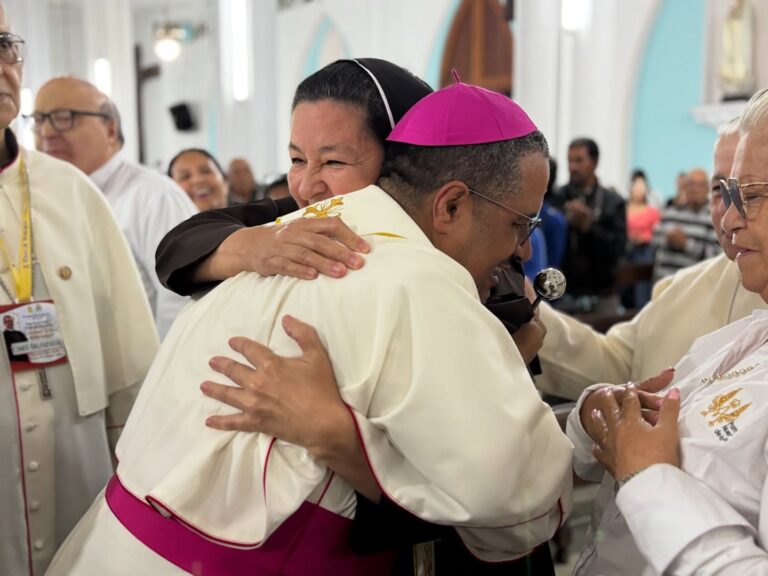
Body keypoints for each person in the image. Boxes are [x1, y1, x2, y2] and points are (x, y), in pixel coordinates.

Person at [47, 79, 572, 575]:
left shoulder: (289, 233)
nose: (524, 249)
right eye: (520, 223)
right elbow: (512, 498)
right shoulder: (413, 276)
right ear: (450, 204)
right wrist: (586, 440)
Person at [570, 86, 768, 575]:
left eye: (754, 195)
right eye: (729, 194)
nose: (731, 220)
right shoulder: (739, 338)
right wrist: (596, 416)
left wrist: (650, 475)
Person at [0, 5, 158, 575]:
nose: (0, 67)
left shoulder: (69, 189)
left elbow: (130, 362)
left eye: (3, 46)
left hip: (81, 474)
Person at [536, 116, 764, 402]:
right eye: (720, 189)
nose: (730, 214)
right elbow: (616, 364)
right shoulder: (681, 289)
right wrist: (525, 310)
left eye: (752, 191)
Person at [32, 77, 197, 339]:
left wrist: (161, 379)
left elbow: (182, 304)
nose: (47, 133)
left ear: (110, 129)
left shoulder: (153, 197)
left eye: (65, 117)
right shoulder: (42, 200)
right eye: (39, 119)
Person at [549, 137, 627, 313]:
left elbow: (618, 251)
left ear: (594, 162)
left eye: (579, 160)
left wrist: (588, 228)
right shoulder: (557, 198)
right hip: (563, 297)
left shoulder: (613, 203)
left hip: (602, 297)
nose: (572, 167)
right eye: (570, 160)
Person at [652, 167, 720, 281]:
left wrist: (686, 244)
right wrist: (668, 239)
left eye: (700, 185)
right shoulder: (670, 213)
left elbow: (716, 257)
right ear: (685, 187)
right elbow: (654, 242)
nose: (695, 189)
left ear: (708, 189)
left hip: (694, 285)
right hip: (664, 282)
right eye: (691, 184)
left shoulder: (714, 218)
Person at [624, 173, 660, 307]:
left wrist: (644, 238)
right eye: (636, 187)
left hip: (644, 250)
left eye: (642, 187)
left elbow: (657, 234)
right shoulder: (623, 209)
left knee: (641, 288)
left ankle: (642, 306)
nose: (639, 190)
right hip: (626, 248)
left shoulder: (652, 212)